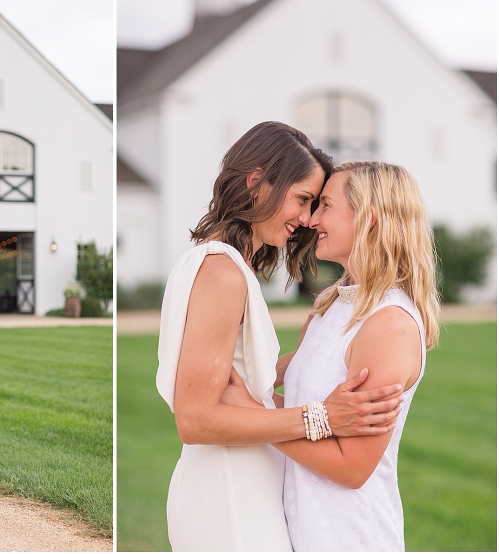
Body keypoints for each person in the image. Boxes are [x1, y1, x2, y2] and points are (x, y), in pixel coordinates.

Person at [156, 122, 404, 551]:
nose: (307, 220)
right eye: (304, 200)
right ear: (256, 182)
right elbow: (194, 419)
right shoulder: (222, 272)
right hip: (229, 488)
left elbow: (229, 376)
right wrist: (322, 417)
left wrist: (298, 361)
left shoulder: (218, 264)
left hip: (236, 478)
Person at [264, 161, 439, 550]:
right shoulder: (332, 306)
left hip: (349, 537)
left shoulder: (388, 325)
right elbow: (299, 408)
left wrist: (255, 416)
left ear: (369, 218)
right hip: (301, 531)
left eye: (325, 205)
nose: (311, 219)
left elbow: (352, 466)